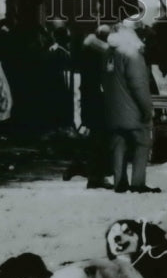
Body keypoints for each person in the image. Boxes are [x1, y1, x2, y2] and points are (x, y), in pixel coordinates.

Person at [103, 22, 161, 194]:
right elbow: (139, 86)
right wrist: (146, 109)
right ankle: (138, 183)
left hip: (112, 109)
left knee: (118, 143)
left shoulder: (108, 53)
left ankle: (119, 181)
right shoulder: (132, 55)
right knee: (142, 143)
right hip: (133, 110)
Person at [64, 24, 113, 188]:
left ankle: (80, 166)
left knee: (94, 138)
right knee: (99, 139)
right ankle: (93, 176)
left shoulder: (88, 54)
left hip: (88, 100)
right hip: (96, 101)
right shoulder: (98, 55)